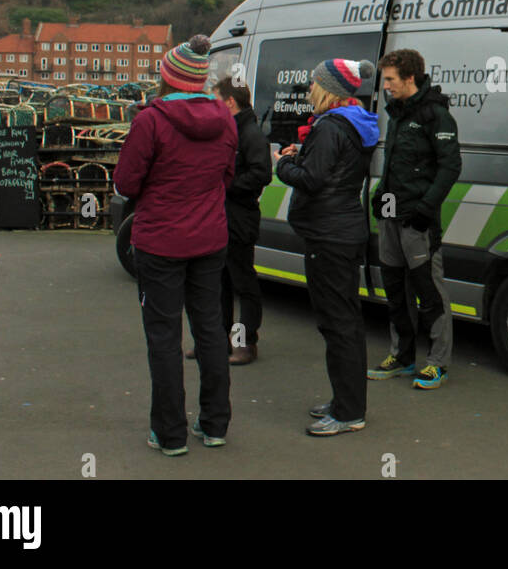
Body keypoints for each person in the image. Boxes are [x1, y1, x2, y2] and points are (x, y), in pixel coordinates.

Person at [115, 35, 238, 456]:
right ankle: (215, 423)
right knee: (210, 329)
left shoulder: (149, 121)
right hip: (209, 238)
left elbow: (126, 182)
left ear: (166, 79)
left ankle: (170, 433)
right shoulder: (225, 117)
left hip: (160, 240)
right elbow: (227, 176)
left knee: (164, 336)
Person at [272, 58, 380, 436]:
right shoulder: (355, 123)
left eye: (314, 83)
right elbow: (333, 171)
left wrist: (282, 164)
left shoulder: (330, 127)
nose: (309, 89)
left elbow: (312, 179)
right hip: (344, 229)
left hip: (329, 235)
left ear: (327, 88)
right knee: (344, 321)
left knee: (338, 325)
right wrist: (302, 155)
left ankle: (349, 411)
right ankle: (344, 401)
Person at [368, 48, 462, 390]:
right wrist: (381, 196)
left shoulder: (435, 115)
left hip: (419, 219)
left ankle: (437, 363)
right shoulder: (396, 113)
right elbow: (394, 164)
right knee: (395, 288)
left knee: (429, 291)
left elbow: (451, 167)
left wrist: (426, 209)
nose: (386, 86)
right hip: (392, 213)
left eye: (390, 79)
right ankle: (402, 356)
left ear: (409, 77)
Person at [214, 76, 272, 365]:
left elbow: (262, 175)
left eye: (216, 100)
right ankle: (217, 341)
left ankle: (247, 342)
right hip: (221, 217)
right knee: (220, 281)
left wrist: (225, 184)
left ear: (229, 102)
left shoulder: (250, 134)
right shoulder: (227, 130)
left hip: (240, 218)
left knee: (243, 282)